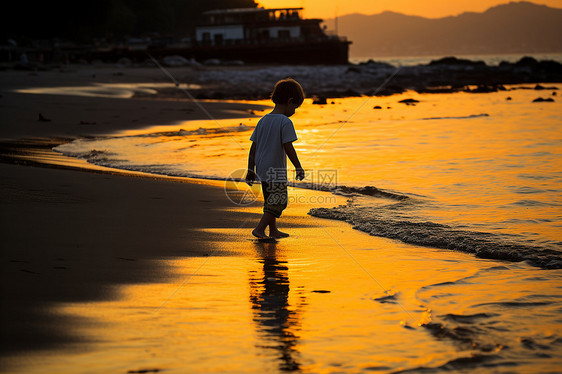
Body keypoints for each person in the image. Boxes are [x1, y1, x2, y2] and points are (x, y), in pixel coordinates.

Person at [246, 78, 305, 239]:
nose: (294, 111)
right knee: (279, 201)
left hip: (262, 167)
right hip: (275, 169)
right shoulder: (285, 122)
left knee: (270, 201)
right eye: (296, 107)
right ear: (290, 101)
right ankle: (259, 229)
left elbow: (254, 147)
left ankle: (273, 230)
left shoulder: (263, 120)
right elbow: (288, 147)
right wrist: (298, 166)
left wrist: (251, 169)